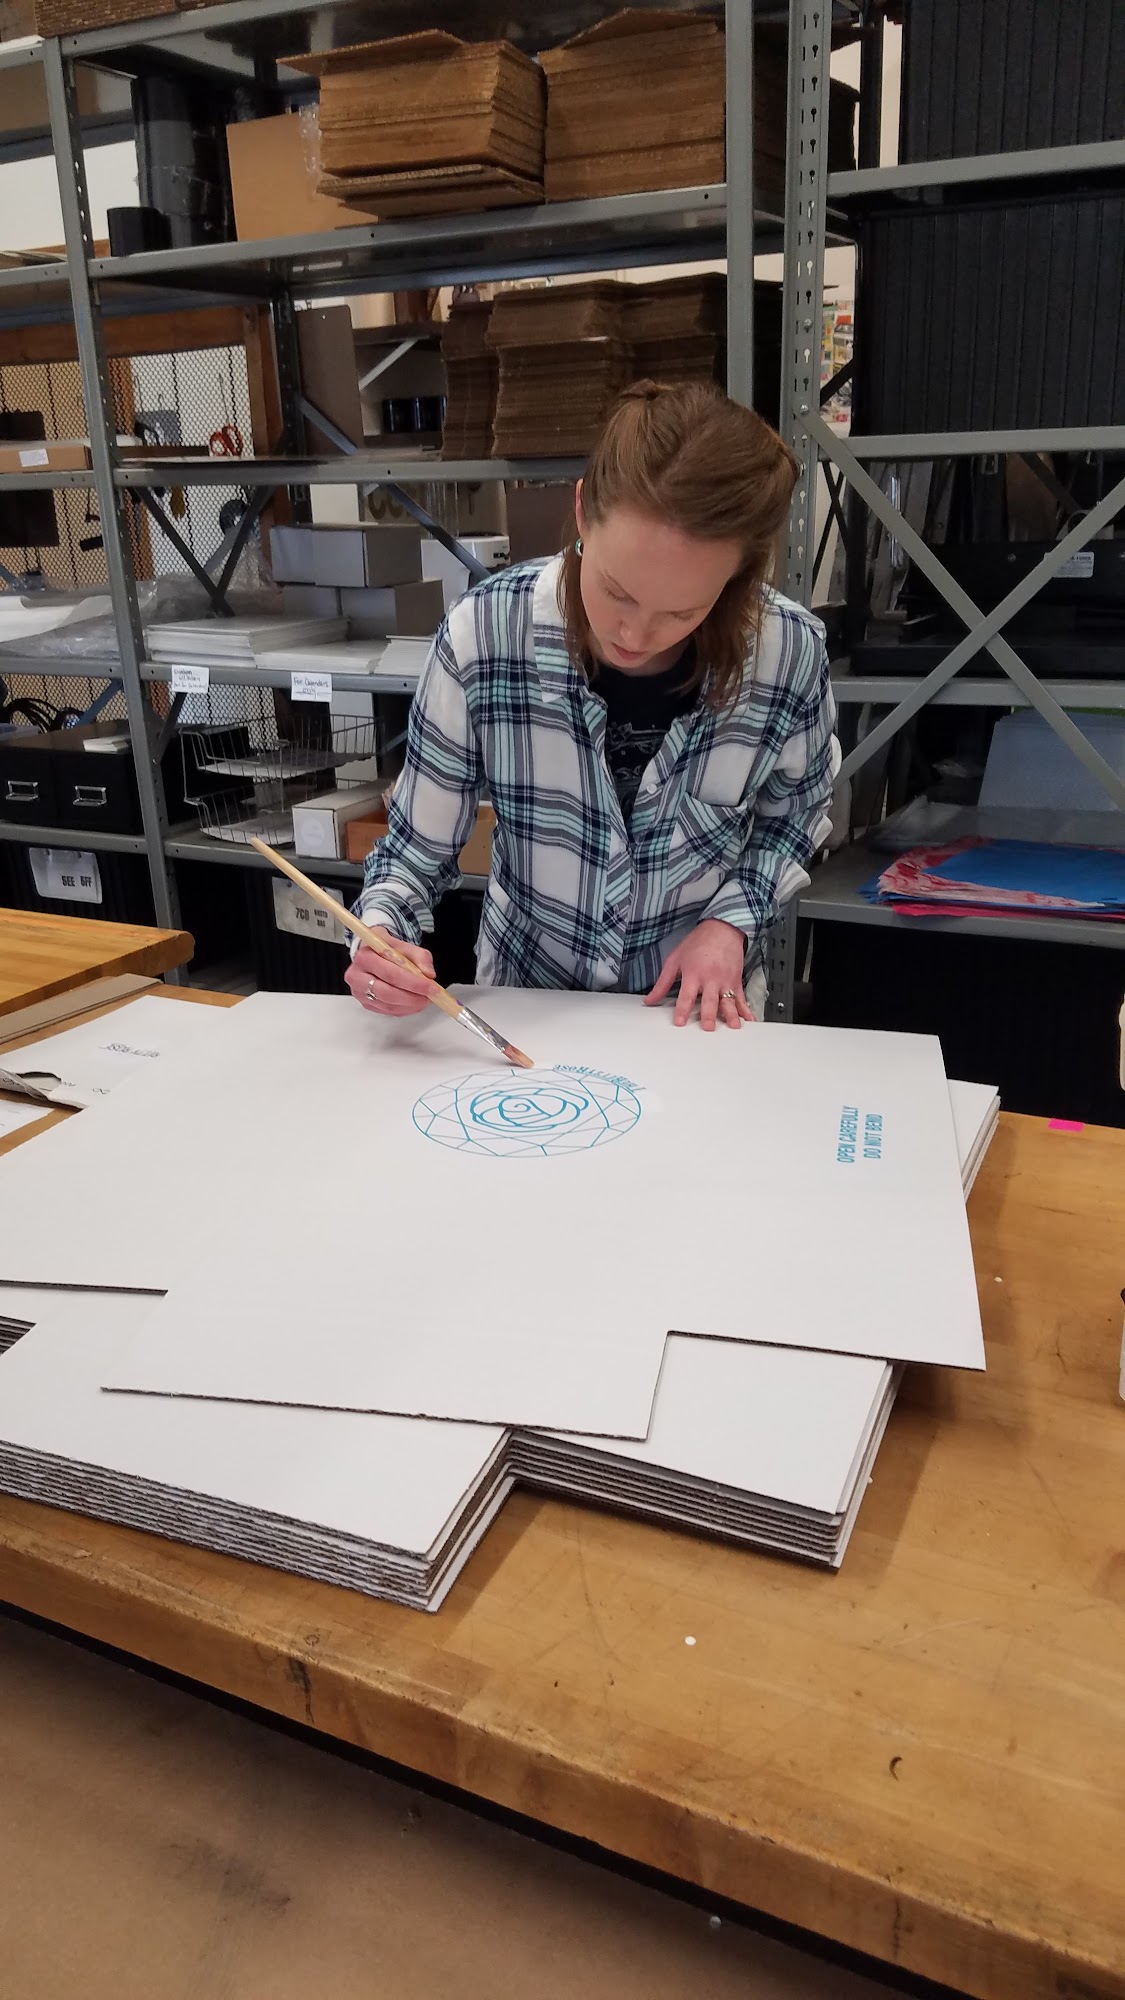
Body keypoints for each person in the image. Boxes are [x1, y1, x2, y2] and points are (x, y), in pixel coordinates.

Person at [346, 378, 839, 1032]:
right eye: (616, 590)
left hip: (692, 1015)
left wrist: (729, 921)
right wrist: (381, 935)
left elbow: (794, 816)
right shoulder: (483, 636)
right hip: (528, 1006)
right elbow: (415, 852)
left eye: (681, 612)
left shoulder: (784, 655)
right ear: (581, 511)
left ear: (737, 579)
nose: (634, 634)